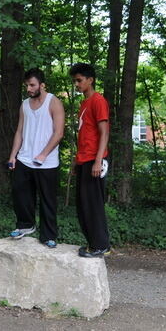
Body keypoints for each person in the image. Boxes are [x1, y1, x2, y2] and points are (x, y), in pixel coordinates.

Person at [7, 68, 65, 247]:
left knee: (48, 200)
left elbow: (59, 133)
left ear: (42, 85)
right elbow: (19, 131)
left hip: (46, 162)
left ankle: (49, 235)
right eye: (27, 85)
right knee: (20, 193)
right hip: (24, 159)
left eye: (32, 85)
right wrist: (13, 156)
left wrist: (43, 154)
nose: (29, 89)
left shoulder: (54, 102)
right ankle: (25, 225)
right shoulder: (24, 104)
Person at [69, 63, 111, 258]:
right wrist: (77, 163)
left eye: (79, 80)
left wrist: (97, 160)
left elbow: (104, 133)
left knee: (93, 204)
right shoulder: (84, 104)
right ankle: (92, 243)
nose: (76, 84)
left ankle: (101, 245)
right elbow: (85, 136)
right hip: (84, 160)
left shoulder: (98, 101)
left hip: (95, 161)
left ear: (90, 80)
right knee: (83, 204)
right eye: (75, 81)